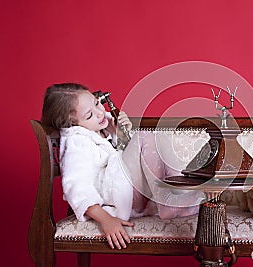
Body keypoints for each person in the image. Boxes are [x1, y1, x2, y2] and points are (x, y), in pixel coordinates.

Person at [41, 83, 203, 250]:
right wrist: (106, 219)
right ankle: (174, 200)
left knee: (152, 137)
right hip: (119, 198)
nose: (99, 113)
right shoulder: (77, 143)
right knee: (144, 136)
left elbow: (113, 160)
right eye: (89, 115)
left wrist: (119, 135)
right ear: (72, 125)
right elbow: (77, 188)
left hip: (125, 192)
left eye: (97, 103)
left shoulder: (100, 129)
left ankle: (176, 196)